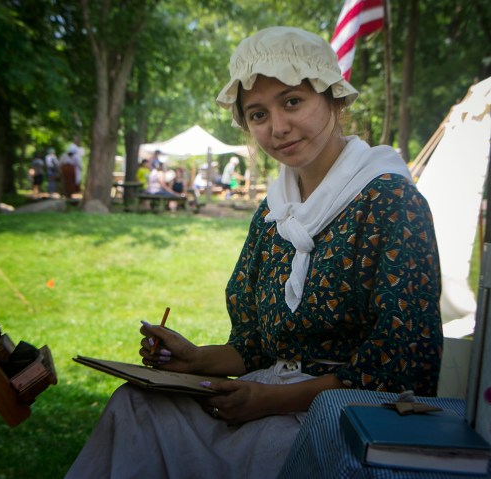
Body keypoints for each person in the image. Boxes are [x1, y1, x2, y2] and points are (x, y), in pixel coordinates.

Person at [66, 26, 443, 478]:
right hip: (263, 395)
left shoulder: (390, 202)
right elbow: (255, 346)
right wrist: (195, 359)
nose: (278, 128)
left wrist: (272, 400)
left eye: (292, 102)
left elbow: (404, 367)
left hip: (344, 418)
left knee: (270, 451)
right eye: (258, 114)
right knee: (135, 405)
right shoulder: (274, 212)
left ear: (333, 99)